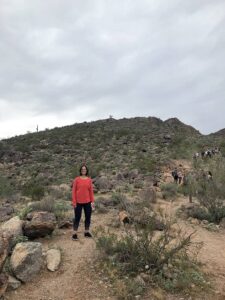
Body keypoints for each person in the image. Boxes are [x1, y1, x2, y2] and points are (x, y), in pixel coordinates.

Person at [71, 164, 95, 241]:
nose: (83, 170)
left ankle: (86, 232)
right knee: (77, 217)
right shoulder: (76, 180)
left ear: (86, 170)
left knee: (88, 217)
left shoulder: (89, 180)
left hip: (88, 202)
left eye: (85, 169)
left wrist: (92, 201)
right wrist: (74, 202)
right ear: (80, 171)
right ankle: (74, 233)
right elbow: (73, 191)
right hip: (78, 202)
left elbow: (91, 191)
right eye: (82, 169)